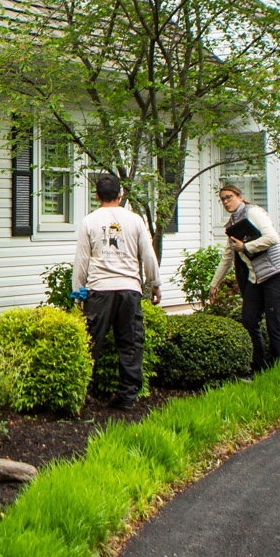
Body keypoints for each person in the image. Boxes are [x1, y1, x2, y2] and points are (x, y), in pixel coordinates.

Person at [72, 173, 161, 409]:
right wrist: (154, 283)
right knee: (130, 343)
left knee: (91, 342)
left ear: (97, 196)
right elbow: (148, 254)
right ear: (121, 195)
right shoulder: (135, 220)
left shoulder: (89, 221)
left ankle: (83, 393)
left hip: (99, 289)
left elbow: (82, 259)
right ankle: (128, 397)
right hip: (129, 289)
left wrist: (78, 291)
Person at [207, 181, 280, 371]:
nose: (225, 202)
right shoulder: (231, 225)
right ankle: (259, 367)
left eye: (229, 197)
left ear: (240, 197)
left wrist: (246, 247)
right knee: (248, 319)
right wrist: (214, 284)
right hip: (258, 278)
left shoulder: (253, 212)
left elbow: (272, 238)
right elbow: (228, 257)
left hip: (278, 273)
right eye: (222, 199)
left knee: (274, 324)